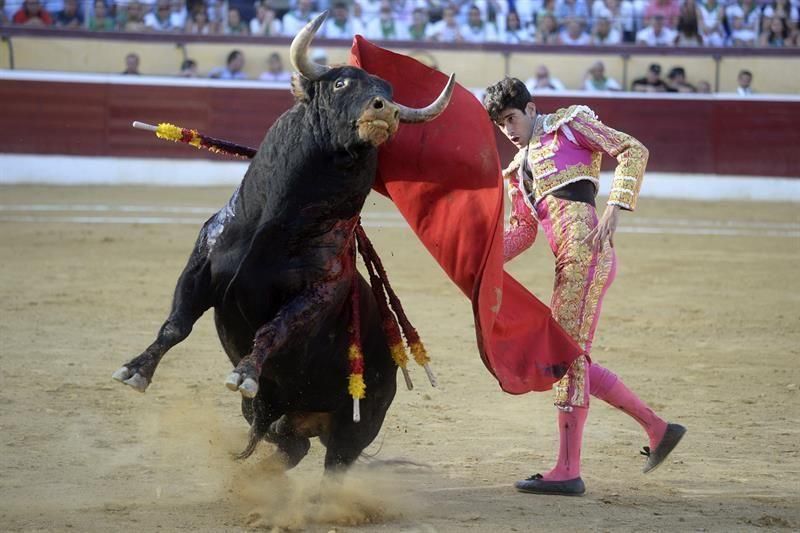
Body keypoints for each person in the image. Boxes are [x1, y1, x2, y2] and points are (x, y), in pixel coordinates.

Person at [482, 77, 686, 496]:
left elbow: (632, 150)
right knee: (571, 357)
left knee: (566, 357)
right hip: (567, 263)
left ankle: (569, 469)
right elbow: (522, 231)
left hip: (587, 253)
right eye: (501, 124)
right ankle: (657, 428)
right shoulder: (516, 172)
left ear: (532, 109)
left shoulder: (570, 125)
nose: (509, 130)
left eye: (512, 118)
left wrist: (616, 204)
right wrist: (481, 259)